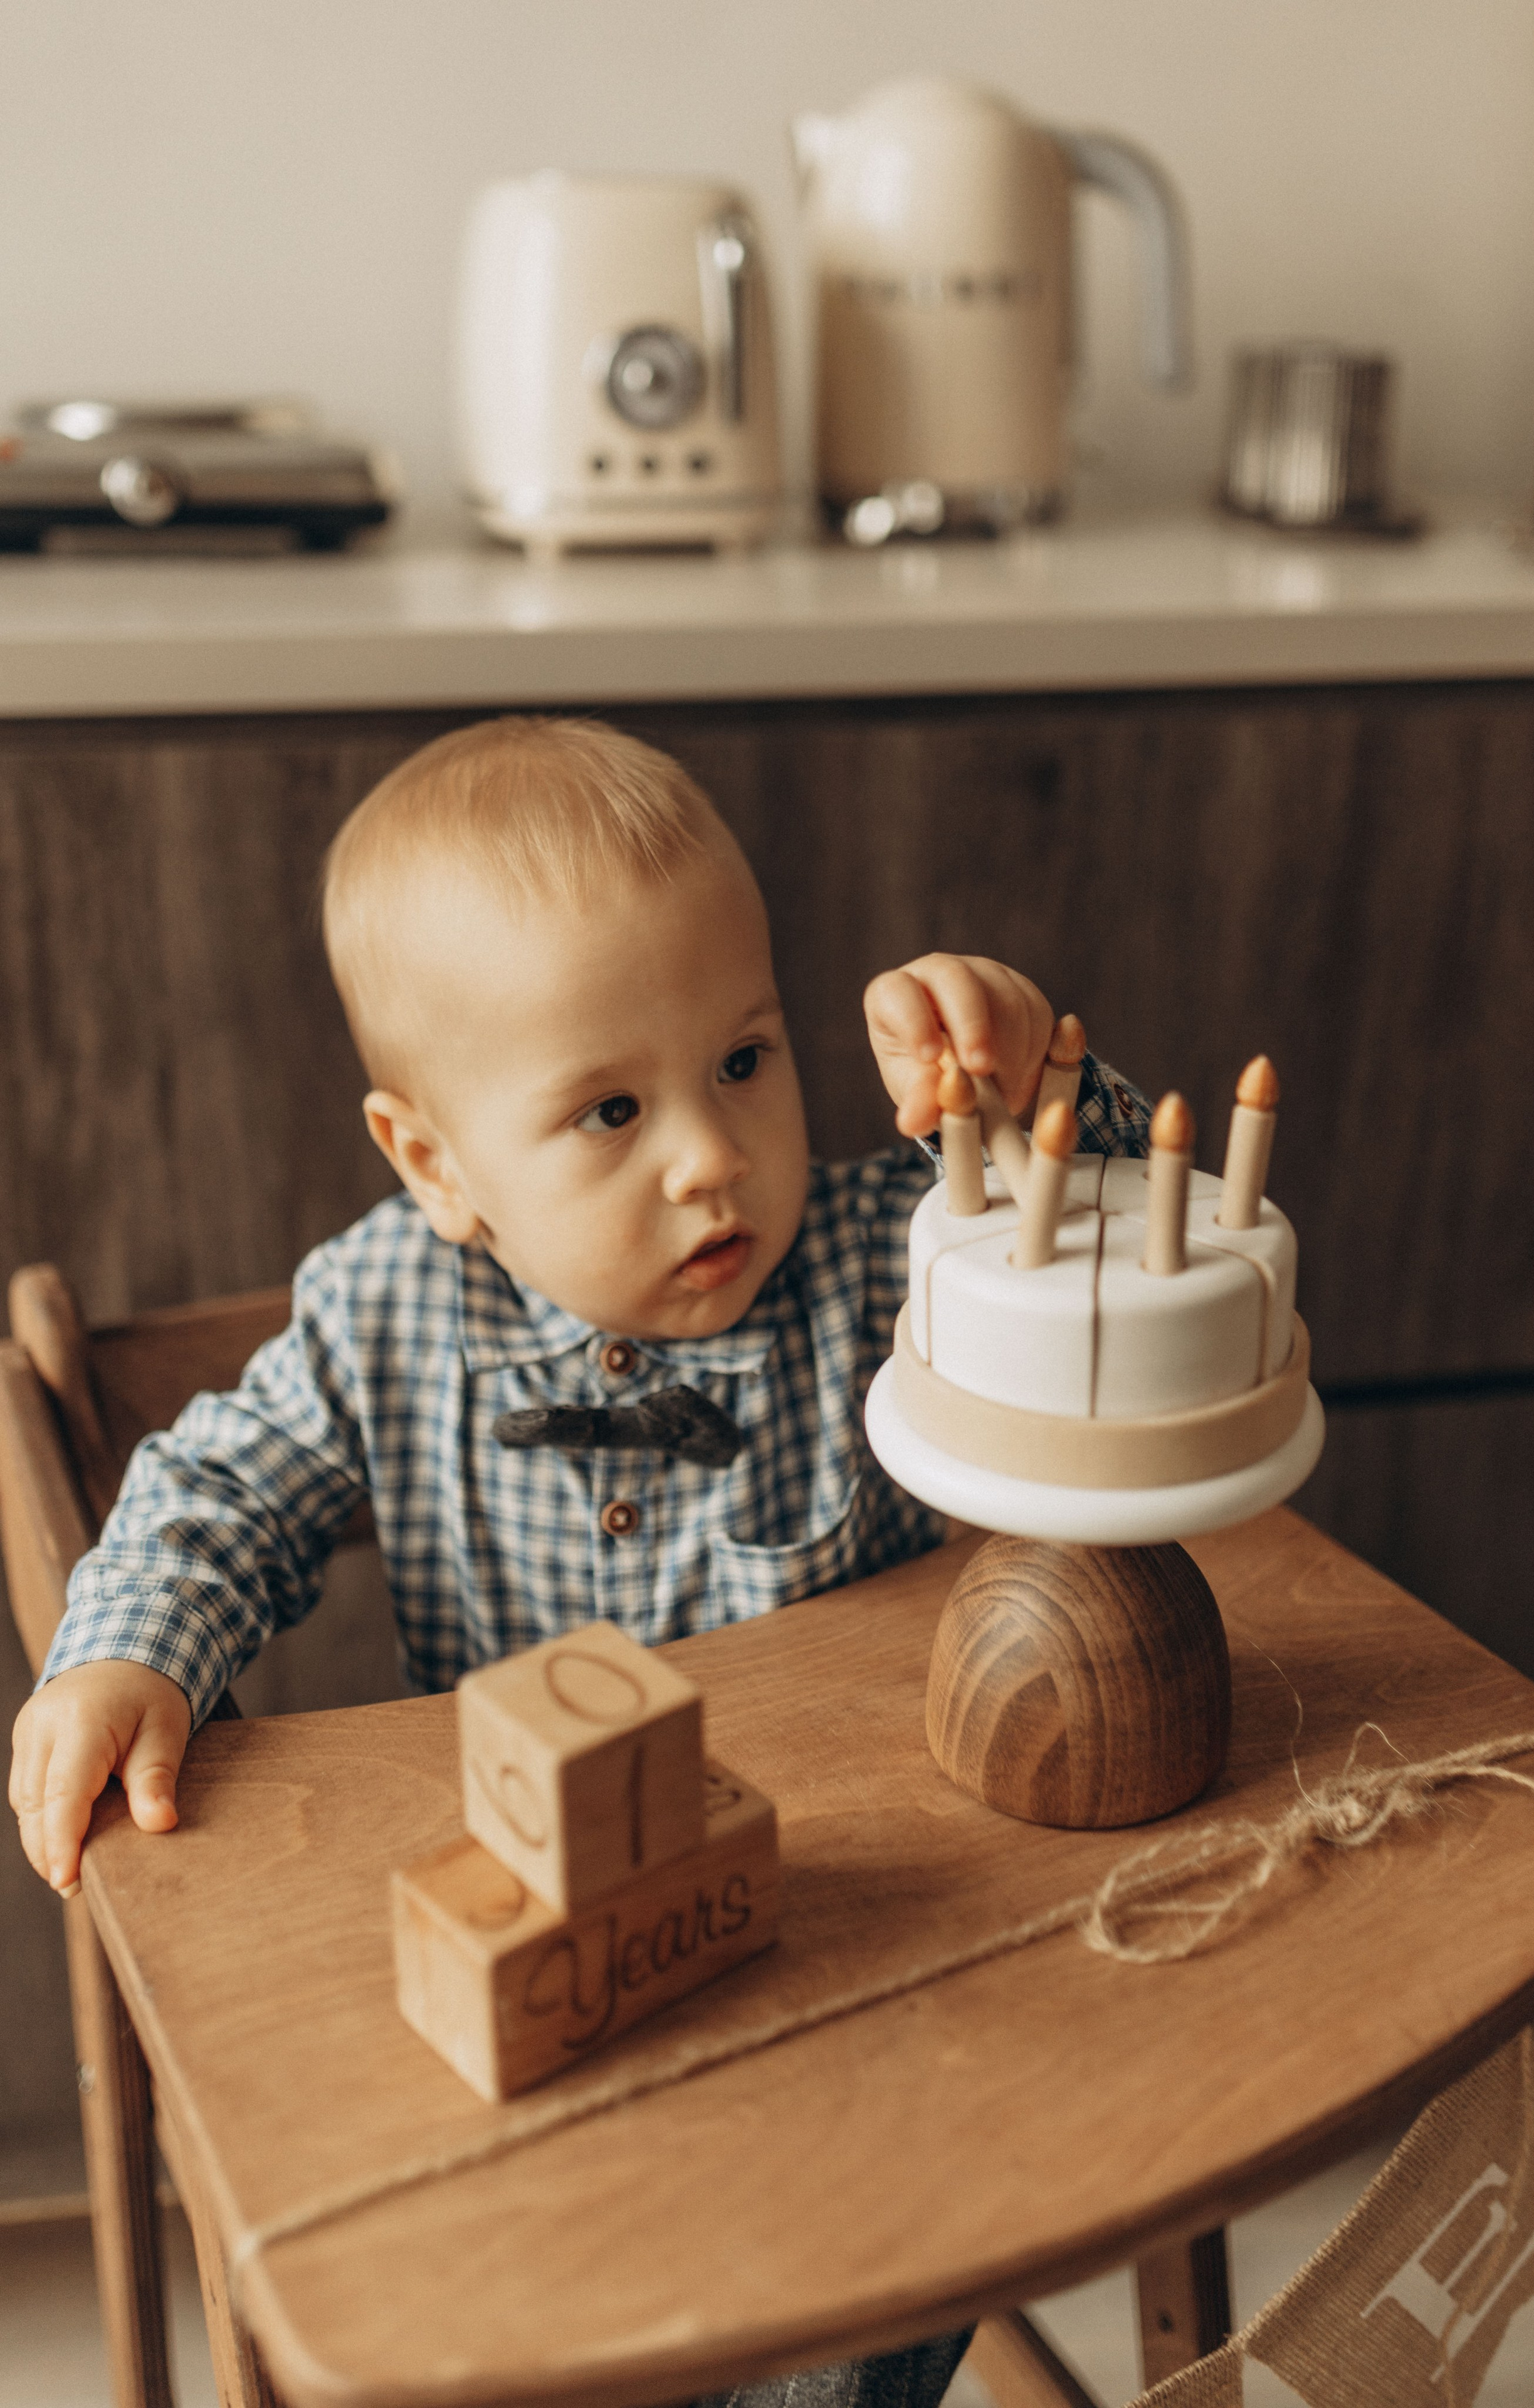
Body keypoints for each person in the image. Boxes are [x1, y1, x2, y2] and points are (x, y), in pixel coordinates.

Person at [9, 716, 1148, 2408]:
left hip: (861, 1940)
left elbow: (1107, 1254)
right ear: (435, 1164)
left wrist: (1040, 1091)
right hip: (551, 1957)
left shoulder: (876, 1255)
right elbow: (215, 1488)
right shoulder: (388, 1314)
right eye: (612, 1108)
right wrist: (130, 1645)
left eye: (745, 1060)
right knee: (517, 2291)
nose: (709, 1156)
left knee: (877, 2279)